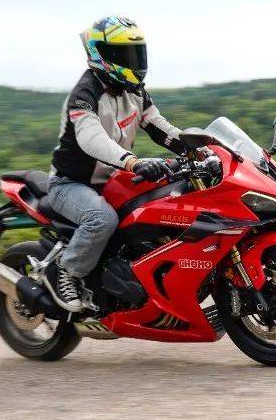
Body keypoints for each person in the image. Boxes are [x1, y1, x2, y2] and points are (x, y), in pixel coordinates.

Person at [45, 16, 184, 312]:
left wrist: (201, 147)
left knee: (167, 203)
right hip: (71, 184)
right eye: (124, 54)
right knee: (102, 219)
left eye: (136, 53)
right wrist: (132, 162)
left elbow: (160, 127)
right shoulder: (85, 94)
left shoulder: (134, 91)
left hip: (113, 180)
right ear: (101, 55)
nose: (133, 61)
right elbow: (92, 139)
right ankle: (66, 273)